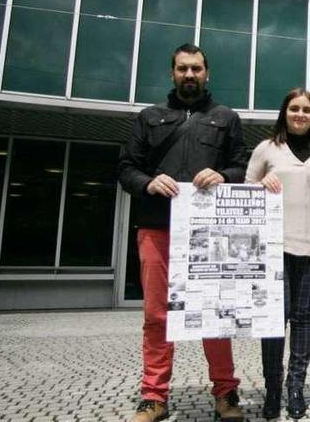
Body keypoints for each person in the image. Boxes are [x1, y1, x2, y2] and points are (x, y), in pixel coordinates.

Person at [118, 43, 247, 422]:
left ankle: (226, 393)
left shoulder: (226, 117)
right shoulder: (148, 117)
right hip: (157, 229)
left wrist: (223, 175)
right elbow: (126, 168)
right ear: (172, 73)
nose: (189, 75)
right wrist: (147, 181)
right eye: (182, 69)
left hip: (210, 237)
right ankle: (154, 396)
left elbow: (241, 166)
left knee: (215, 315)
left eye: (196, 69)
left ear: (208, 74)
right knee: (157, 316)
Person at [245, 88, 310, 420]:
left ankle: (296, 387)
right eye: (294, 108)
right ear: (284, 112)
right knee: (273, 320)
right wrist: (260, 184)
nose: (300, 114)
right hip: (273, 247)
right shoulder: (266, 148)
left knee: (304, 318)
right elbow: (245, 191)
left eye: (307, 110)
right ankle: (272, 389)